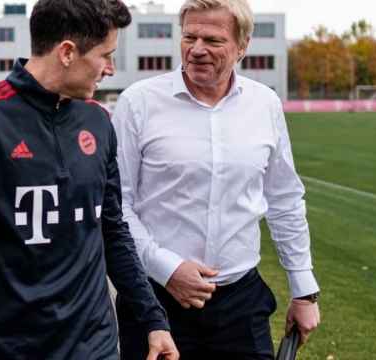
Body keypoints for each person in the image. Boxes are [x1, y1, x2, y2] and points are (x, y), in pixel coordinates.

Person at [0, 0, 179, 359]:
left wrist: (154, 318)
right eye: (106, 55)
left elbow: (112, 229)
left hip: (96, 346)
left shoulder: (98, 122)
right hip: (5, 348)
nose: (110, 68)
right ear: (67, 52)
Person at [112, 0, 321, 358]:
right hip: (154, 302)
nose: (196, 50)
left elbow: (284, 198)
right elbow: (117, 205)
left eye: (212, 40)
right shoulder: (138, 103)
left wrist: (303, 290)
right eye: (189, 37)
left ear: (243, 45)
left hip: (240, 304)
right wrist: (168, 268)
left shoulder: (264, 105)